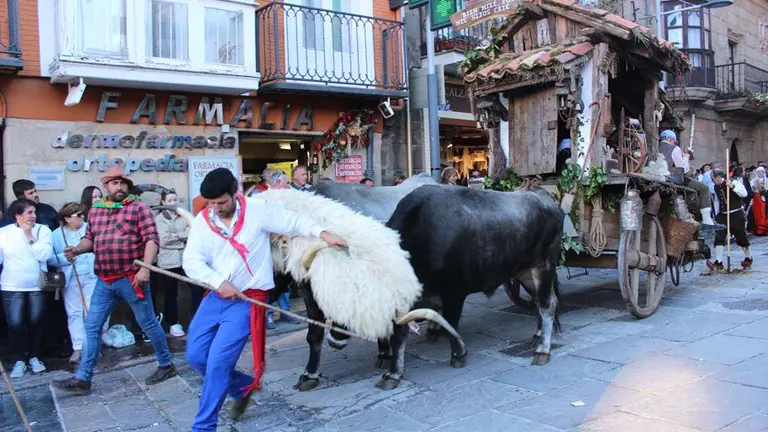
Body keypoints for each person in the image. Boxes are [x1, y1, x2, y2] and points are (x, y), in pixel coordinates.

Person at [182, 168, 347, 431]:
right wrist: (218, 282)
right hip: (215, 297)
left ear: (234, 194)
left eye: (221, 202)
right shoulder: (205, 220)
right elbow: (191, 260)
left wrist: (324, 234)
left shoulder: (258, 210)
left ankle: (203, 426)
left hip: (247, 301)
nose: (216, 208)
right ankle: (243, 387)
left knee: (217, 363)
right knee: (195, 356)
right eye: (211, 203)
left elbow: (294, 221)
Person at [53, 165, 177, 395]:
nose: (118, 187)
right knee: (91, 326)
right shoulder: (96, 211)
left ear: (127, 186)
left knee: (148, 323)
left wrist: (146, 269)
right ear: (106, 186)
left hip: (132, 278)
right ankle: (83, 379)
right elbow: (90, 239)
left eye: (122, 183)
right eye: (113, 183)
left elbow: (151, 239)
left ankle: (166, 364)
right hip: (104, 280)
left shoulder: (139, 208)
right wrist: (77, 250)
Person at [49, 202, 109, 363]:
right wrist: (66, 258)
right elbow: (49, 258)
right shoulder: (56, 235)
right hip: (71, 277)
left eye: (83, 214)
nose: (83, 218)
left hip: (92, 275)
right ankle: (78, 347)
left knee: (92, 312)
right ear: (67, 218)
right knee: (74, 313)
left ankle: (93, 347)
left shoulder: (89, 228)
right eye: (78, 215)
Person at [0, 199, 52, 378]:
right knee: (15, 324)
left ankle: (35, 357)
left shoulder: (42, 231)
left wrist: (29, 236)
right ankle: (19, 360)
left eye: (34, 212)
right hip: (11, 285)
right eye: (29, 213)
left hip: (36, 285)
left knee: (35, 322)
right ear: (17, 215)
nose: (33, 216)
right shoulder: (4, 233)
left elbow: (44, 254)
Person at [658, 130, 722, 231]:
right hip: (673, 178)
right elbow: (683, 169)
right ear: (670, 139)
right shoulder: (675, 148)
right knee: (704, 188)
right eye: (674, 141)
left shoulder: (654, 147)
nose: (674, 143)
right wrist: (686, 157)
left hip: (658, 176)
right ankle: (706, 220)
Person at [155, 190, 197, 337]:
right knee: (170, 292)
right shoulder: (159, 219)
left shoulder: (183, 216)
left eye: (175, 200)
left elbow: (194, 232)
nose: (173, 203)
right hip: (168, 261)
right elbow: (164, 240)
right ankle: (173, 323)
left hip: (186, 259)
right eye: (170, 200)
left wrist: (176, 237)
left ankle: (197, 320)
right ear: (163, 203)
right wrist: (183, 238)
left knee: (197, 288)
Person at [707, 170, 752, 271]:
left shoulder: (734, 182)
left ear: (718, 177)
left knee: (741, 236)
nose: (712, 181)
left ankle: (748, 258)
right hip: (723, 215)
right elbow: (717, 201)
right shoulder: (715, 187)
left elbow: (744, 194)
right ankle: (719, 262)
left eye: (712, 178)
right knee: (719, 236)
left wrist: (732, 186)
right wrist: (717, 214)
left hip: (736, 213)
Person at [750, 166, 768, 236]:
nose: (761, 173)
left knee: (764, 213)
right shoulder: (753, 180)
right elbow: (752, 190)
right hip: (757, 199)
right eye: (759, 172)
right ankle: (759, 230)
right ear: (757, 173)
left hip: (765, 198)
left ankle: (764, 229)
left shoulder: (767, 180)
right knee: (758, 213)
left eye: (762, 172)